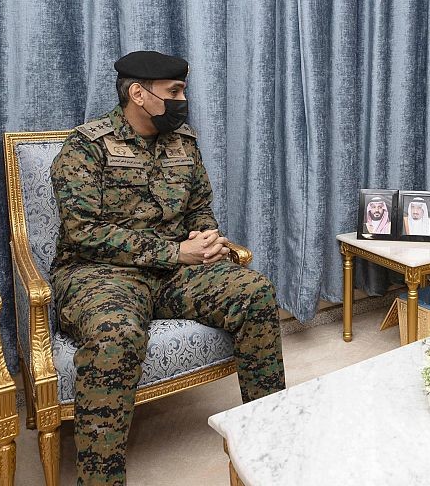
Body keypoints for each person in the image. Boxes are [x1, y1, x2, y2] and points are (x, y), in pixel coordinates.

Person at [50, 51, 285, 485]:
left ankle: (268, 439)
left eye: (183, 91)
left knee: (255, 291)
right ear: (138, 94)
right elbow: (84, 233)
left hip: (175, 273)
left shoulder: (184, 142)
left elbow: (200, 207)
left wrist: (206, 239)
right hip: (99, 274)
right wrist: (176, 252)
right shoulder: (86, 146)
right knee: (116, 333)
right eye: (174, 91)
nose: (183, 100)